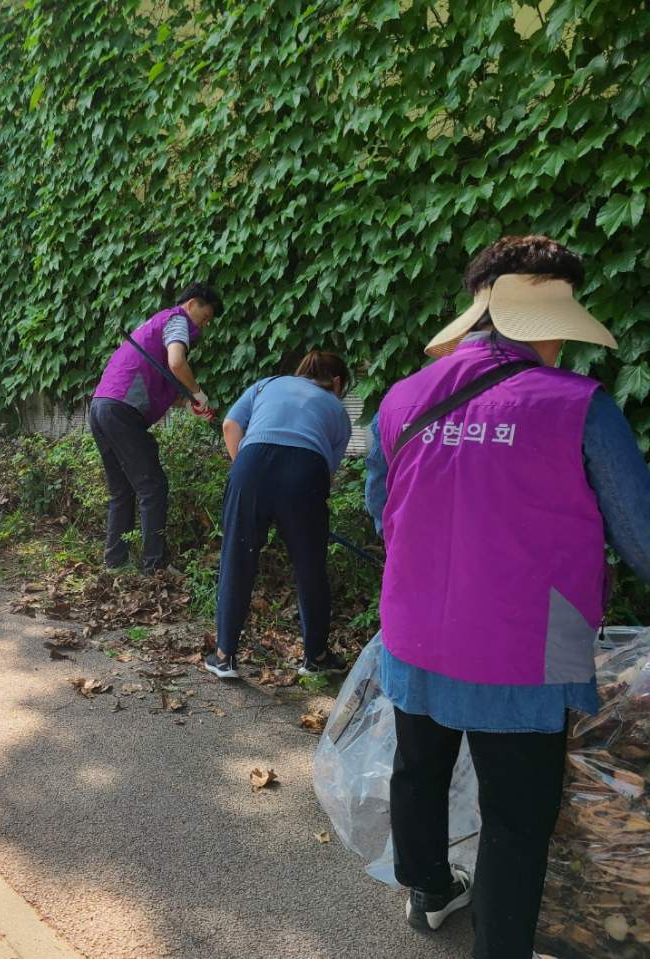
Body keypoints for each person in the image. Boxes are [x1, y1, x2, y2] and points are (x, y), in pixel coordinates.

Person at [363, 235, 650, 959]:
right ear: (549, 319)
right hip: (536, 637)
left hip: (415, 621)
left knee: (418, 766)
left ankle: (428, 889)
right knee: (517, 818)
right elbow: (643, 539)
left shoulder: (402, 397)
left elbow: (381, 509)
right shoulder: (581, 406)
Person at [204, 351, 354, 680]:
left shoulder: (266, 384)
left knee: (237, 559)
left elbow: (230, 425)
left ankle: (225, 656)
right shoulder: (338, 411)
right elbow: (327, 474)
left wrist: (247, 474)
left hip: (252, 461)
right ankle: (315, 656)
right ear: (338, 382)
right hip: (306, 472)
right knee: (310, 566)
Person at [89, 282, 222, 572]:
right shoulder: (177, 320)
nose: (205, 323)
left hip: (101, 405)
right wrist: (199, 394)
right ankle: (155, 567)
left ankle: (116, 563)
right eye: (206, 315)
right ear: (192, 304)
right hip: (122, 410)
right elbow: (176, 363)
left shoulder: (153, 325)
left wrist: (189, 405)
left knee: (122, 489)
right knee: (153, 487)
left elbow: (157, 381)